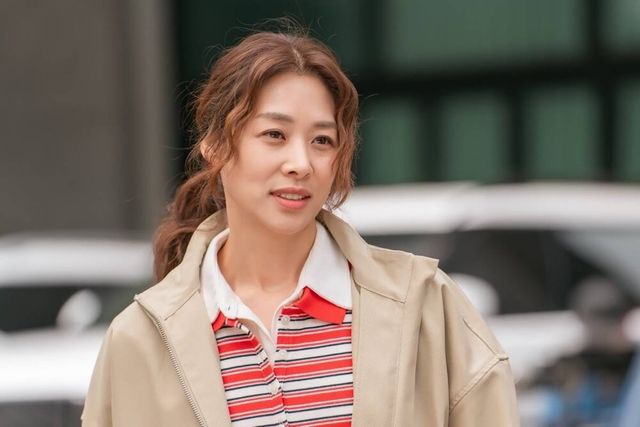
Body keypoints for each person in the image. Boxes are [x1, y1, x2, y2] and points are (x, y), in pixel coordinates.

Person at [82, 27, 519, 427]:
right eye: (275, 134)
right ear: (215, 145)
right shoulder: (139, 340)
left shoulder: (425, 305)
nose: (301, 163)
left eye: (321, 141)